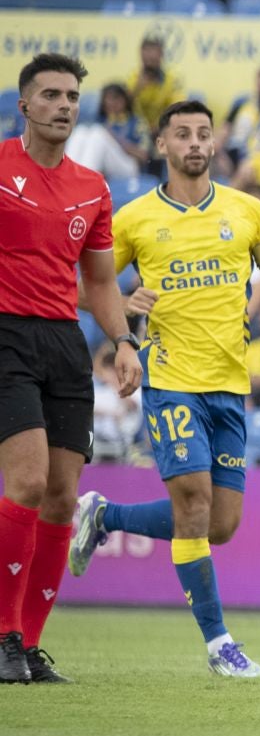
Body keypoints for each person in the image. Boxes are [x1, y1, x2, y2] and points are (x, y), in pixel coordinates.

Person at [68, 99, 260, 678]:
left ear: (214, 143)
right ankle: (220, 643)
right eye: (183, 134)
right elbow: (81, 284)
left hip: (229, 386)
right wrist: (120, 306)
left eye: (204, 133)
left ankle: (105, 515)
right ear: (163, 145)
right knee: (193, 501)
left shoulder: (248, 213)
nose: (195, 142)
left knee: (219, 523)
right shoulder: (135, 219)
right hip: (168, 380)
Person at [0, 55, 143, 684]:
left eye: (72, 95)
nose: (64, 104)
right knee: (27, 482)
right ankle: (2, 634)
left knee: (61, 498)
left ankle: (28, 645)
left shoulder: (94, 187)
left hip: (64, 344)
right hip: (6, 334)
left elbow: (102, 280)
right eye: (51, 94)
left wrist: (123, 340)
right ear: (25, 105)